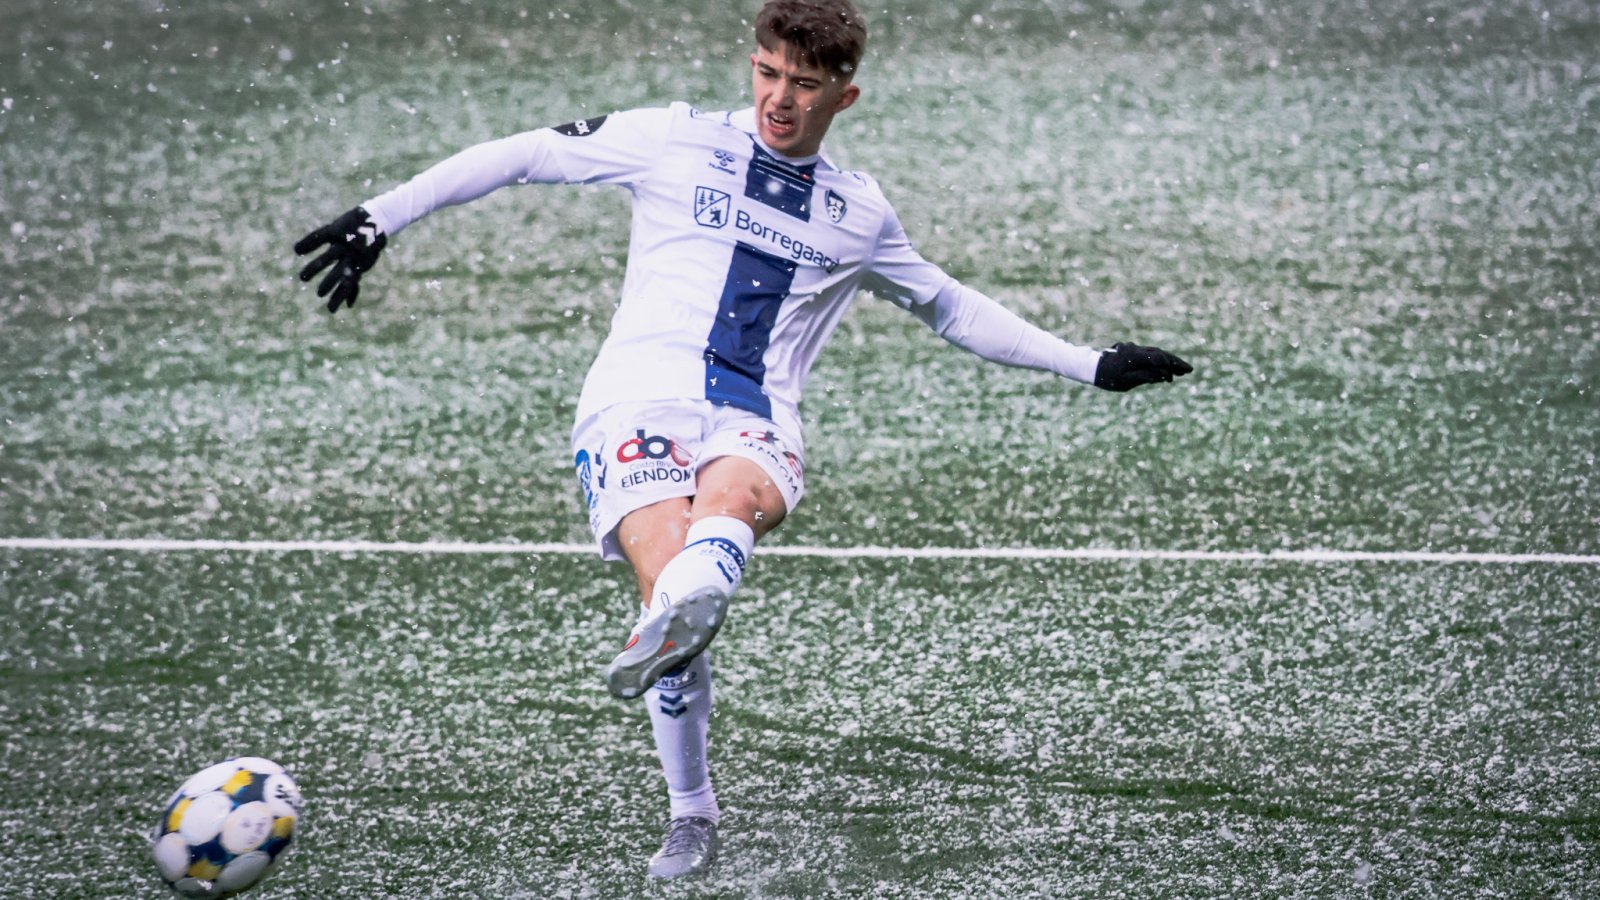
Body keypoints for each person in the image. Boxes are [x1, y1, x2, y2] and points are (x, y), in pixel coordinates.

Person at [293, 0, 1191, 879]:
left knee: (731, 501)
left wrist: (1089, 363)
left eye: (805, 83)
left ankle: (697, 603)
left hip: (752, 415)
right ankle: (692, 802)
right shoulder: (673, 137)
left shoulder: (859, 212)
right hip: (633, 404)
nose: (779, 98)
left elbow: (949, 306)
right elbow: (527, 153)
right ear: (752, 64)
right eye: (767, 73)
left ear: (844, 96)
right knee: (666, 587)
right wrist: (381, 217)